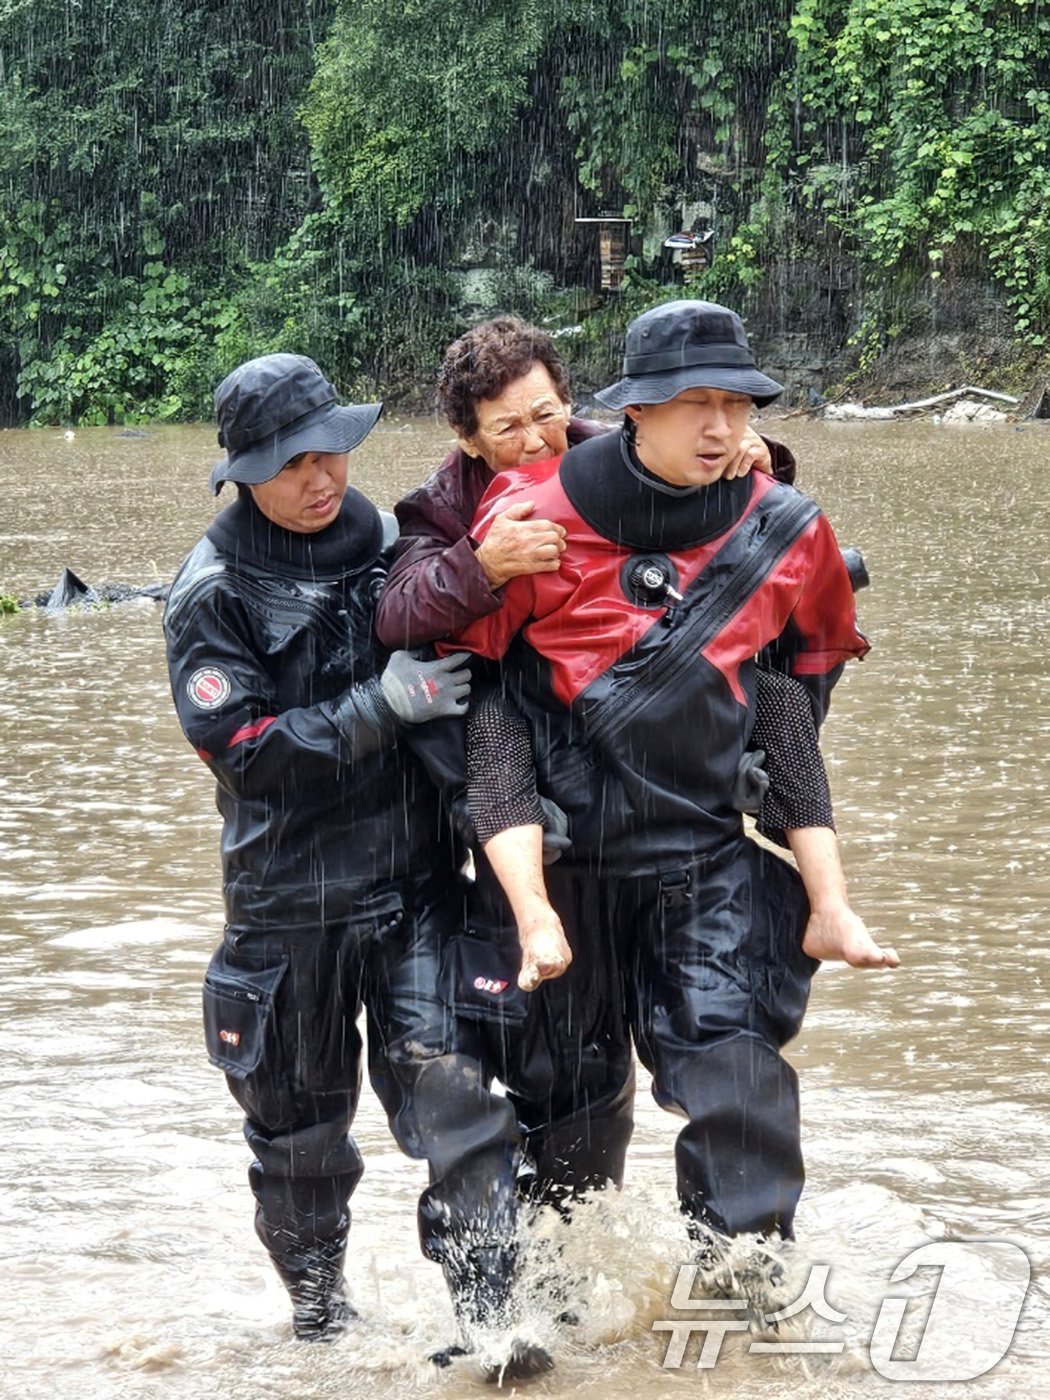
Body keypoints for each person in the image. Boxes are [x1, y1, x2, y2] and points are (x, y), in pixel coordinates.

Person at [447, 300, 898, 1278]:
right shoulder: (530, 517)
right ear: (631, 412)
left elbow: (814, 660)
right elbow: (472, 671)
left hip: (701, 859)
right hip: (567, 862)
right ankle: (559, 1323)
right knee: (565, 1122)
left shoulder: (786, 526)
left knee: (743, 1090)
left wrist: (729, 744)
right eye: (693, 403)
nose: (719, 428)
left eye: (735, 404)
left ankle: (740, 1325)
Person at [162, 353, 548, 1379]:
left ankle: (492, 1326)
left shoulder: (392, 542)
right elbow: (242, 751)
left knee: (457, 1096)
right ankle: (322, 1330)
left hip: (415, 885)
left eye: (332, 449)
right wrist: (382, 704)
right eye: (294, 462)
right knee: (300, 1142)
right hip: (286, 904)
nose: (322, 474)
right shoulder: (212, 592)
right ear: (244, 470)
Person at [375, 317, 805, 1216]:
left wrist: (766, 460)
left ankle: (738, 1311)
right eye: (509, 430)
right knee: (567, 1094)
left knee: (731, 1067)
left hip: (674, 814)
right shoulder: (448, 507)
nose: (538, 442)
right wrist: (480, 565)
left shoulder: (616, 459)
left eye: (549, 415)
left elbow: (740, 531)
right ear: (465, 439)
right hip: (537, 814)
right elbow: (402, 611)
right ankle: (564, 1285)